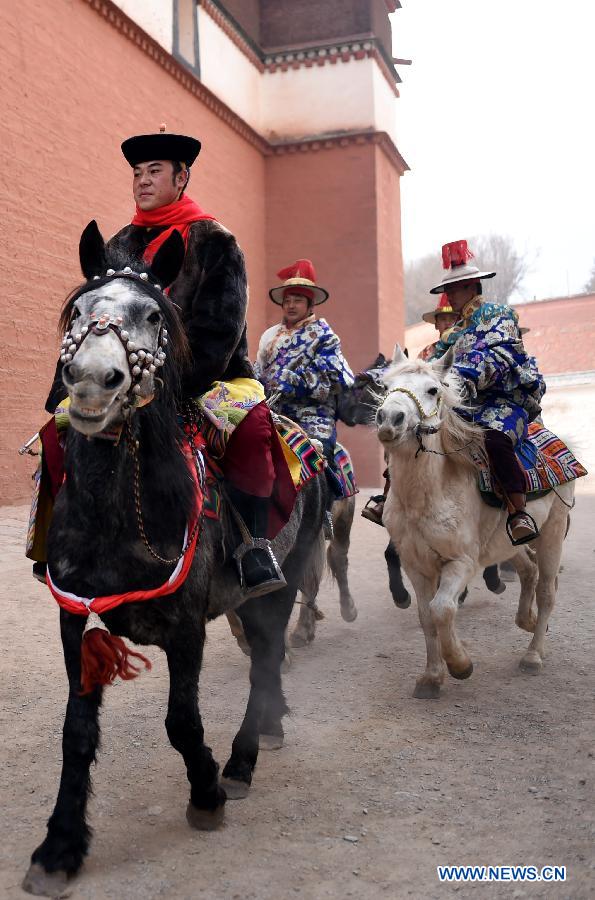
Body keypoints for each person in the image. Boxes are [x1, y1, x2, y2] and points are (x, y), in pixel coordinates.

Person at [38, 126, 291, 596]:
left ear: (182, 178)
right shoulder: (117, 246)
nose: (142, 181)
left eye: (154, 171)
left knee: (252, 429)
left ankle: (251, 544)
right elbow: (89, 321)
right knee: (56, 434)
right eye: (137, 172)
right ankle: (54, 541)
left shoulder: (216, 242)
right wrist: (63, 387)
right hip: (129, 377)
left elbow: (219, 331)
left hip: (209, 378)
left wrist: (172, 386)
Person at [429, 239, 545, 545]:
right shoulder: (453, 333)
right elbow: (431, 366)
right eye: (447, 290)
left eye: (454, 288)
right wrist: (395, 379)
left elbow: (504, 356)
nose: (449, 295)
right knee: (419, 430)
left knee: (494, 438)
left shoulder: (500, 315)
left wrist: (466, 376)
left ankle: (517, 511)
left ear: (472, 286)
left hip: (504, 402)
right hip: (464, 405)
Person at [254, 259, 354, 493]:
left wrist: (297, 382)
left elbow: (336, 381)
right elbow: (259, 370)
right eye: (287, 300)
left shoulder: (325, 336)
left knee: (319, 456)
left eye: (297, 300)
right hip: (273, 413)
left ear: (310, 305)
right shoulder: (271, 337)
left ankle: (325, 514)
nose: (290, 305)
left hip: (312, 417)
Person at [418, 293, 459, 361]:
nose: (448, 323)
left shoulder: (465, 345)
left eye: (453, 319)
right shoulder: (426, 353)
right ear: (436, 325)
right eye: (443, 319)